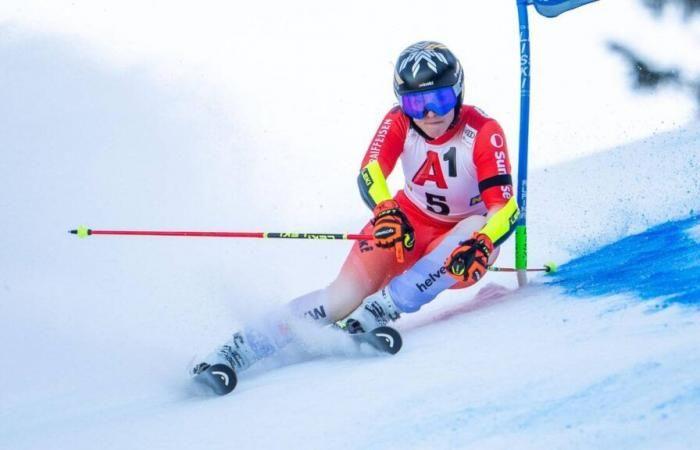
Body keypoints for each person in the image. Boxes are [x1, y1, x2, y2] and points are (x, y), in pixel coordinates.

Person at [193, 41, 519, 381]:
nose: (429, 114)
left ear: (459, 92)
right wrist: (386, 210)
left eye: (439, 99)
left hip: (459, 246)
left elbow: (504, 206)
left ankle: (380, 309)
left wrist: (484, 241)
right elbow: (371, 171)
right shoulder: (399, 122)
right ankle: (238, 349)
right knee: (340, 298)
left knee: (474, 225)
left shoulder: (482, 132)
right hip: (406, 226)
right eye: (415, 103)